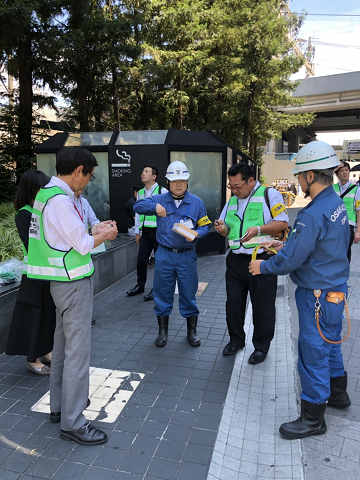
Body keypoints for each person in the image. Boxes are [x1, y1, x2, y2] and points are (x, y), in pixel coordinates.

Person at [249, 140, 351, 440]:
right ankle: (338, 394)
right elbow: (323, 245)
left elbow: (293, 260)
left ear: (309, 176)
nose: (298, 182)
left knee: (312, 352)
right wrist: (285, 243)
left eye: (299, 176)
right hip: (334, 290)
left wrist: (263, 267)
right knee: (330, 343)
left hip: (316, 295)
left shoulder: (311, 214)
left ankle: (313, 418)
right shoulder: (334, 203)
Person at [27, 147, 118, 445]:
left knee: (63, 347)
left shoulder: (50, 195)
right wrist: (105, 234)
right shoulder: (61, 201)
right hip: (73, 282)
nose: (88, 182)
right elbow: (82, 243)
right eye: (88, 176)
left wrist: (96, 228)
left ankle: (59, 408)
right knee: (77, 354)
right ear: (78, 170)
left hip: (61, 283)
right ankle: (74, 423)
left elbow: (76, 232)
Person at [214, 163, 288, 364]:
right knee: (233, 304)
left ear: (251, 181)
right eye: (232, 187)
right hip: (236, 260)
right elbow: (227, 227)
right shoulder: (233, 200)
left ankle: (261, 347)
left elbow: (282, 223)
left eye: (238, 186)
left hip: (262, 260)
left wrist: (259, 229)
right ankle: (236, 340)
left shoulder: (269, 195)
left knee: (263, 306)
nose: (235, 191)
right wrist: (222, 229)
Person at [134, 161, 211, 347]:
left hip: (187, 255)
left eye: (182, 181)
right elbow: (137, 206)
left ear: (187, 181)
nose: (178, 184)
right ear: (168, 182)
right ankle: (162, 333)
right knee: (162, 293)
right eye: (174, 181)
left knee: (188, 293)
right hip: (165, 255)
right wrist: (154, 208)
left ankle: (191, 332)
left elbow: (205, 225)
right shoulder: (160, 199)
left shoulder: (197, 202)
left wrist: (197, 234)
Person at [6, 170, 55, 375]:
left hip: (49, 272)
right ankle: (32, 358)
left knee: (49, 314)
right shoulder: (24, 213)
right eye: (41, 188)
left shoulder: (39, 210)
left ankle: (45, 350)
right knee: (34, 315)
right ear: (32, 190)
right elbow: (34, 244)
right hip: (34, 274)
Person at [127, 166, 167, 302]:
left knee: (159, 262)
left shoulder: (162, 191)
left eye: (146, 172)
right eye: (142, 171)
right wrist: (137, 231)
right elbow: (138, 213)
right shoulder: (141, 193)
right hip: (146, 231)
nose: (142, 173)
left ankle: (157, 289)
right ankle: (140, 285)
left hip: (159, 231)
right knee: (141, 260)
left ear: (154, 176)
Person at [333, 161, 360, 262]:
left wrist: (358, 231)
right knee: (333, 253)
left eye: (347, 170)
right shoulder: (332, 188)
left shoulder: (356, 189)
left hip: (348, 226)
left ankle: (343, 275)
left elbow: (359, 212)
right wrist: (334, 169)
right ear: (337, 174)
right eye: (341, 170)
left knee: (345, 252)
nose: (345, 172)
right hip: (333, 225)